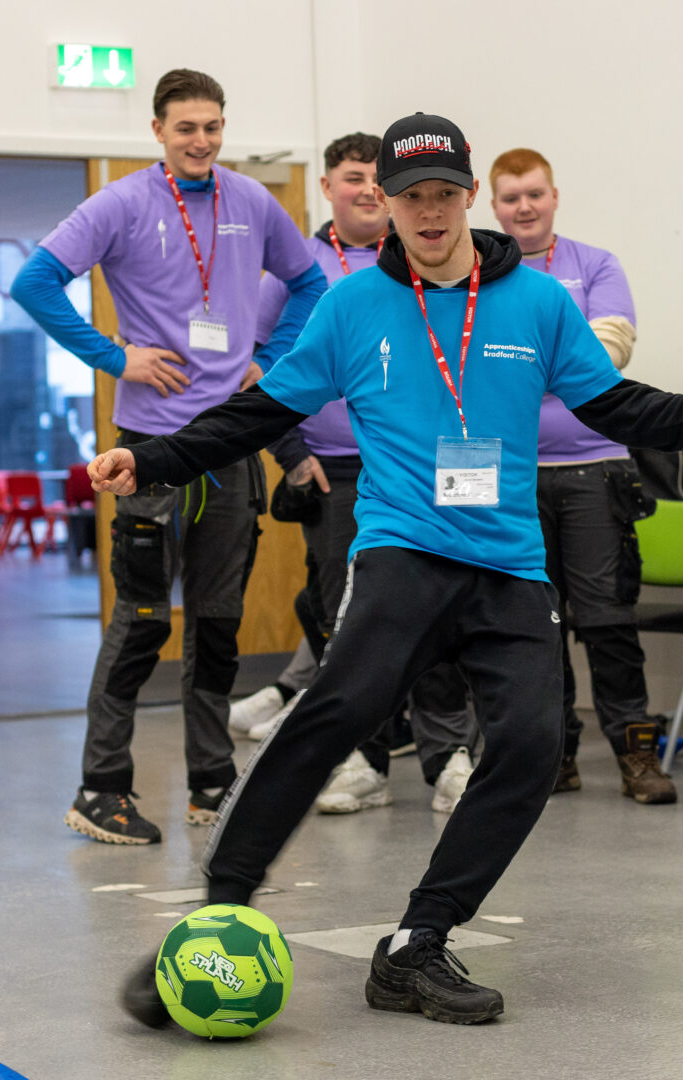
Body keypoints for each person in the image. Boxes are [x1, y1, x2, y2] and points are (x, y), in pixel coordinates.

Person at [105, 112, 683, 1024]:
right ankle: (217, 916)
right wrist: (155, 458)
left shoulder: (537, 302)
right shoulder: (351, 306)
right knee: (334, 711)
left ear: (469, 198)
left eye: (442, 194)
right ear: (385, 202)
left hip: (509, 564)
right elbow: (257, 414)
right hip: (402, 550)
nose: (426, 211)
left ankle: (418, 943)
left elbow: (619, 406)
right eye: (407, 196)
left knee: (534, 747)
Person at [11, 68, 327, 845]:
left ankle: (211, 783)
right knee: (144, 621)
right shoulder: (121, 202)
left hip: (229, 447)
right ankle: (102, 788)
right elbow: (35, 281)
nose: (202, 141)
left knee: (217, 626)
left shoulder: (251, 200)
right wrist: (117, 358)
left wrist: (271, 359)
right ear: (157, 130)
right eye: (187, 127)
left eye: (214, 127)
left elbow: (310, 283)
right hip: (152, 451)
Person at [248, 132, 478, 817]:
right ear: (328, 187)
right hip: (335, 474)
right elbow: (258, 374)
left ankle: (447, 757)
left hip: (435, 466)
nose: (366, 192)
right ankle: (363, 759)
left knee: (443, 610)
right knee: (349, 625)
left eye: (376, 181)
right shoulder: (300, 269)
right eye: (352, 178)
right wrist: (292, 453)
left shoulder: (427, 260)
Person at [488, 147, 674, 804]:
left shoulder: (593, 265)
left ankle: (638, 761)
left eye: (534, 193)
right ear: (493, 204)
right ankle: (552, 759)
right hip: (508, 479)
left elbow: (608, 351)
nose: (524, 207)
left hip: (596, 471)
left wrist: (515, 365)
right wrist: (552, 366)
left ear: (554, 195)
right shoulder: (476, 275)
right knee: (532, 625)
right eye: (511, 198)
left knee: (607, 623)